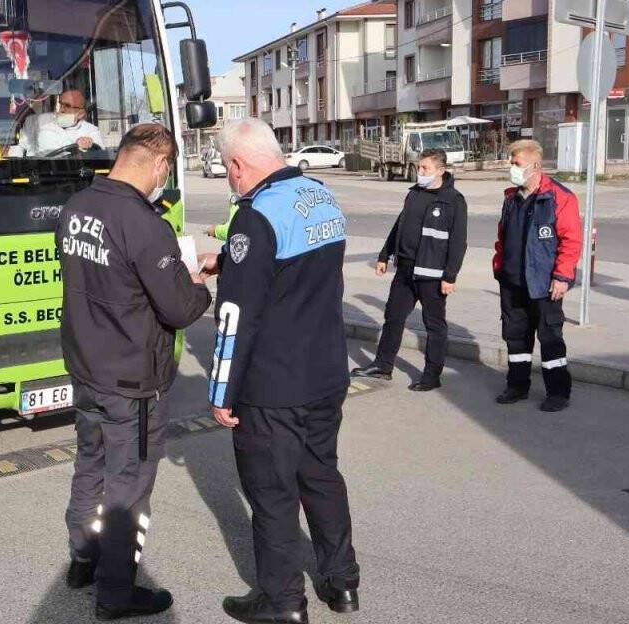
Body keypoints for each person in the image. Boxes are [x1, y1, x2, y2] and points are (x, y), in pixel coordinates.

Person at [201, 118, 360, 624]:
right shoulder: (319, 195)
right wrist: (229, 259)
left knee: (272, 494)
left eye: (229, 171)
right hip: (326, 371)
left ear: (238, 165)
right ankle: (342, 583)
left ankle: (283, 602)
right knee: (322, 477)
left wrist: (221, 389)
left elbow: (236, 315)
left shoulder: (254, 216)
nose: (231, 180)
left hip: (274, 385)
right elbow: (295, 270)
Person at [57, 123, 210, 620]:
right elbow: (180, 309)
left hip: (86, 368)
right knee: (128, 487)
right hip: (133, 382)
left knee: (90, 465)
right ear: (160, 165)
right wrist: (200, 281)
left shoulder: (77, 207)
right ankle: (116, 593)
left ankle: (83, 560)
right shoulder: (144, 223)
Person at [352, 148, 468, 391]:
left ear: (441, 170)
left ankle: (431, 375)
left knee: (434, 325)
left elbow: (458, 242)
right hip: (405, 270)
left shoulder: (453, 200)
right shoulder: (414, 194)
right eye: (419, 167)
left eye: (425, 168)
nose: (420, 171)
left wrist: (450, 275)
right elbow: (400, 225)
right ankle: (383, 366)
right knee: (393, 317)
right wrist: (385, 254)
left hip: (433, 275)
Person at [493, 139, 582, 413]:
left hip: (544, 285)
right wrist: (499, 267)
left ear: (535, 166)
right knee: (516, 338)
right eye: (511, 162)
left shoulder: (559, 197)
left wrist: (562, 277)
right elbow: (503, 238)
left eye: (516, 163)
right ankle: (517, 385)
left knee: (550, 338)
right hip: (513, 282)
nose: (512, 167)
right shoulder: (511, 197)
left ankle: (558, 392)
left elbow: (571, 241)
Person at [19, 89, 104, 156]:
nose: (61, 110)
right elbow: (18, 148)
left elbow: (99, 154)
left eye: (67, 106)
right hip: (37, 173)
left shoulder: (91, 131)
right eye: (60, 104)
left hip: (71, 175)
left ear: (81, 113)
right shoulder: (37, 121)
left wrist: (87, 145)